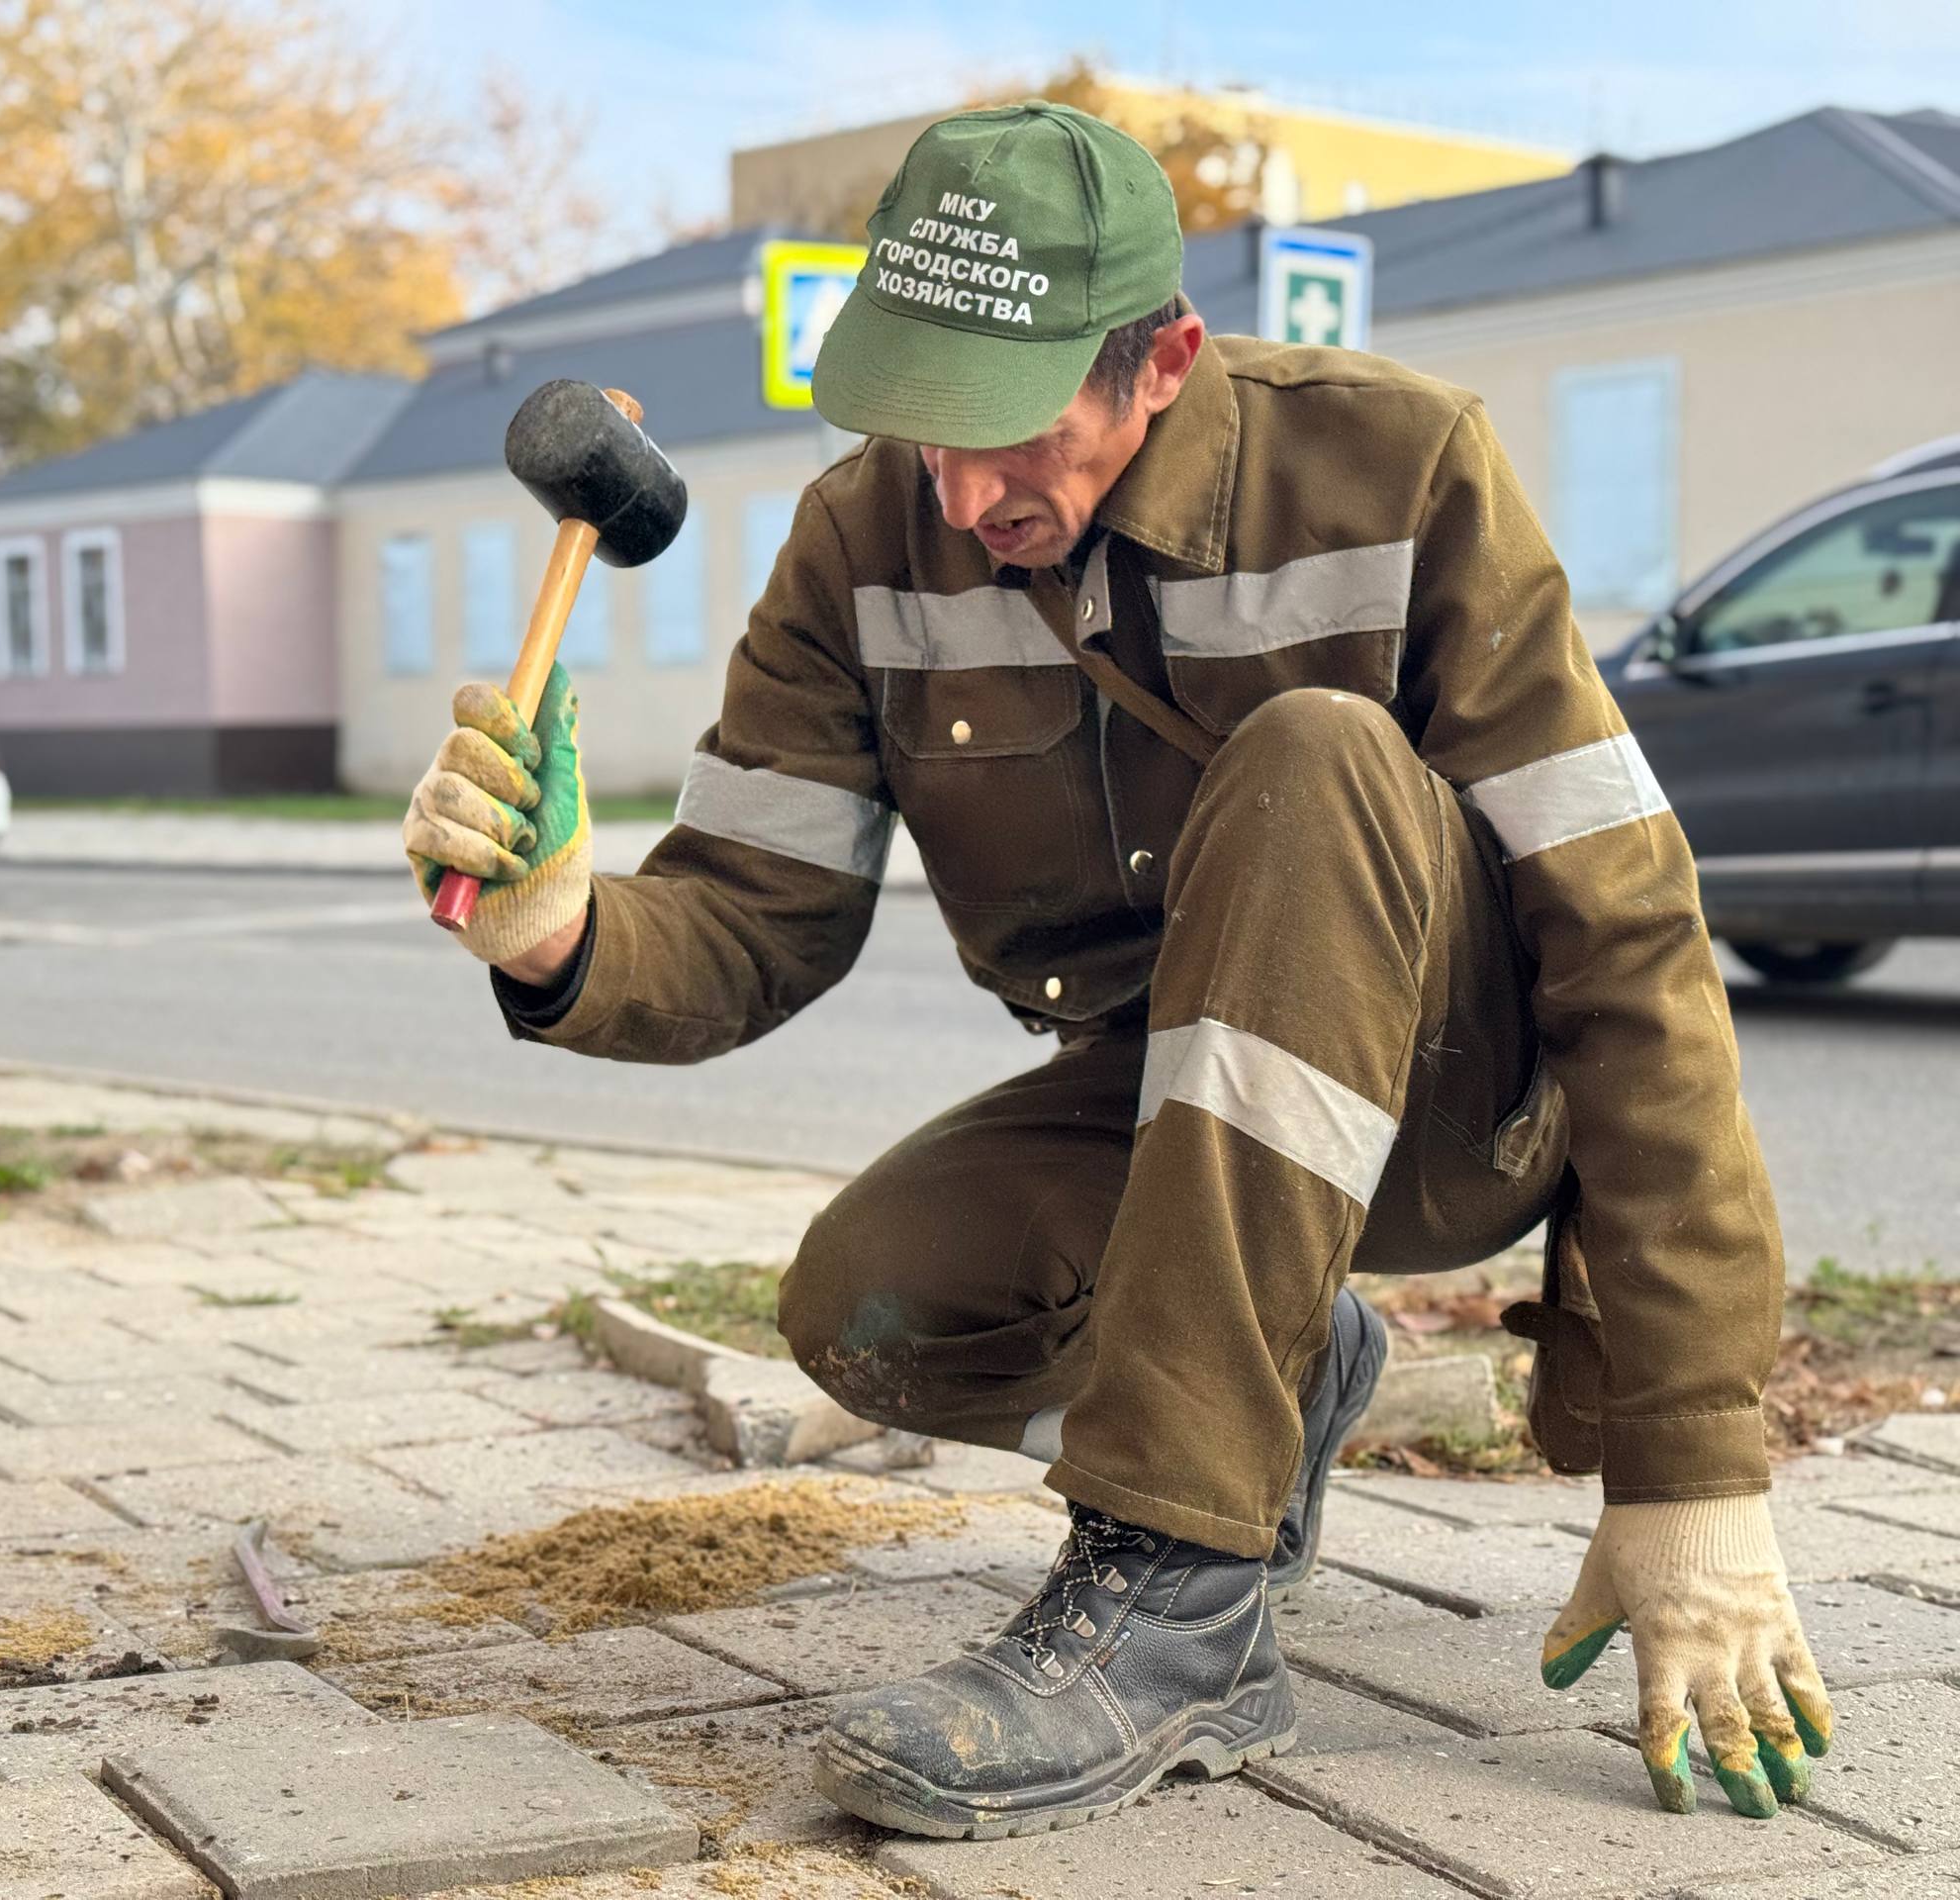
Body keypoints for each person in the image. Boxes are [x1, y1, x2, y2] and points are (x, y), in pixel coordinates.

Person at [407, 103, 1834, 1839]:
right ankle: (1284, 1374)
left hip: (1459, 1105)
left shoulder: (1401, 473)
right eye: (916, 423)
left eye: (1005, 429)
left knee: (1317, 757)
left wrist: (1684, 1459)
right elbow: (751, 914)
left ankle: (1178, 1588)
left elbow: (1636, 954)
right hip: (1179, 1099)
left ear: (1160, 358)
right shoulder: (864, 543)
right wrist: (557, 929)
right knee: (871, 1302)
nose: (960, 492)